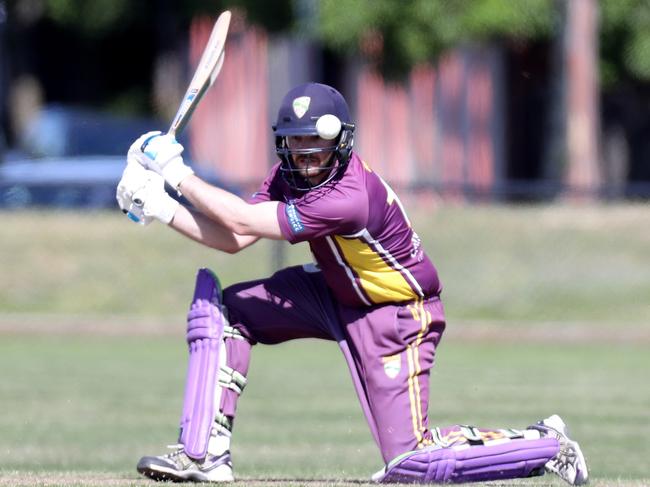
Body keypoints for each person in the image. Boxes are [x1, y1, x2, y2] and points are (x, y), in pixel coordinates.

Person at [116, 82, 588, 485]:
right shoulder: (290, 175)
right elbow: (235, 237)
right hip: (334, 289)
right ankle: (203, 454)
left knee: (412, 463)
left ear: (341, 142)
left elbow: (240, 216)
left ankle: (547, 445)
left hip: (396, 313)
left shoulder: (349, 197)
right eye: (295, 144)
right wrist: (162, 207)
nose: (305, 157)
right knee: (227, 311)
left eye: (315, 145)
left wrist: (176, 173)